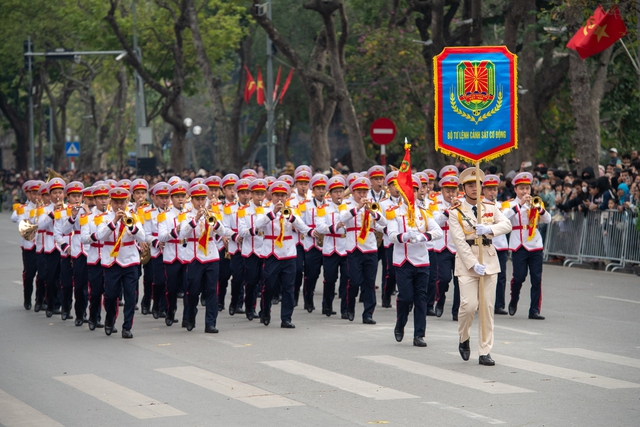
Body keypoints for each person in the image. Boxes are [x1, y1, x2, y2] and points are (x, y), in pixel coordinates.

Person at [449, 167, 512, 366]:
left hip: (489, 261)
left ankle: (485, 351)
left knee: (486, 308)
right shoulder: (456, 211)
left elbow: (506, 224)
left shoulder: (490, 207)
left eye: (477, 185)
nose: (474, 188)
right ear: (464, 188)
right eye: (470, 185)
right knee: (468, 306)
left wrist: (490, 229)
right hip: (468, 263)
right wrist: (473, 264)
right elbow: (459, 242)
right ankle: (463, 337)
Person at [387, 175, 442, 347]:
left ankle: (419, 334)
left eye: (415, 190)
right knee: (405, 297)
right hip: (403, 261)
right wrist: (405, 236)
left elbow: (438, 232)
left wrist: (423, 236)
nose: (411, 194)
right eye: (408, 190)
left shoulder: (424, 213)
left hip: (422, 261)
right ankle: (400, 323)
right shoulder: (394, 213)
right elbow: (391, 235)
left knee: (421, 298)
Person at [255, 180, 316, 328]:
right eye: (277, 195)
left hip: (288, 253)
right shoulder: (264, 209)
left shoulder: (292, 210)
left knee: (289, 287)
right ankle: (265, 310)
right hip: (271, 252)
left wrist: (311, 232)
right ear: (272, 196)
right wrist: (273, 212)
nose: (280, 199)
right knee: (268, 285)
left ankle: (286, 318)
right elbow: (257, 225)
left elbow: (302, 226)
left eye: (283, 195)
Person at [95, 187, 146, 338]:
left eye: (122, 202)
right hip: (112, 261)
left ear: (127, 201)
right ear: (111, 201)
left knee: (131, 296)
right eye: (116, 202)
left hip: (130, 261)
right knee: (110, 295)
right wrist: (114, 222)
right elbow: (100, 236)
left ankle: (127, 327)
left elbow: (142, 237)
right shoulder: (103, 217)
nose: (119, 206)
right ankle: (110, 319)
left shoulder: (134, 216)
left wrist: (130, 226)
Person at [339, 177, 387, 324]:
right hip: (353, 247)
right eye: (359, 192)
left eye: (364, 192)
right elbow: (342, 218)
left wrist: (373, 213)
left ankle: (368, 314)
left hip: (370, 247)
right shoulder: (346, 204)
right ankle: (349, 306)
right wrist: (358, 208)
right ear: (353, 192)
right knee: (353, 281)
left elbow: (383, 223)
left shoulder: (373, 204)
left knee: (369, 282)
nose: (362, 195)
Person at [503, 172, 551, 320]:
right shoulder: (510, 204)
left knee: (536, 278)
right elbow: (504, 218)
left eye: (527, 188)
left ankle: (534, 310)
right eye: (522, 188)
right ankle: (514, 299)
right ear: (516, 189)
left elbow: (548, 219)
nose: (525, 192)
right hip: (519, 245)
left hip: (535, 244)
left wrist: (539, 209)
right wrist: (520, 205)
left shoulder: (536, 201)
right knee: (519, 277)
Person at [179, 184, 226, 333]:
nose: (200, 202)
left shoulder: (213, 213)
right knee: (193, 290)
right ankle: (191, 315)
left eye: (203, 199)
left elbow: (222, 231)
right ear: (192, 200)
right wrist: (196, 219)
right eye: (197, 199)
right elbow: (182, 234)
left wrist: (213, 221)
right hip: (194, 256)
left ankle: (210, 323)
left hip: (211, 255)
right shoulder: (186, 215)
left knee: (212, 290)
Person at [314, 176, 348, 317]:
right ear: (330, 193)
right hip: (329, 247)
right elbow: (320, 227)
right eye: (336, 192)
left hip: (345, 247)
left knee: (347, 279)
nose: (339, 194)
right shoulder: (323, 208)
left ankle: (345, 309)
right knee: (330, 279)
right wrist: (335, 227)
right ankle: (327, 305)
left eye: (341, 191)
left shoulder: (348, 207)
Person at [432, 167, 461, 320]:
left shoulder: (462, 203)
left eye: (453, 190)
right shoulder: (435, 203)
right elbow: (434, 221)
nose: (451, 194)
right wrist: (448, 211)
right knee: (443, 279)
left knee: (460, 280)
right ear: (442, 190)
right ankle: (440, 298)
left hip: (458, 245)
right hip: (442, 246)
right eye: (448, 190)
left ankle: (456, 311)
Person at [481, 175, 510, 315]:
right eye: (490, 189)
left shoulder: (502, 205)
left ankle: (499, 304)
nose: (493, 192)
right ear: (484, 190)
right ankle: (481, 302)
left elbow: (507, 221)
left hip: (500, 244)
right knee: (483, 275)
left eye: (495, 189)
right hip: (486, 245)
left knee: (501, 275)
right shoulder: (479, 206)